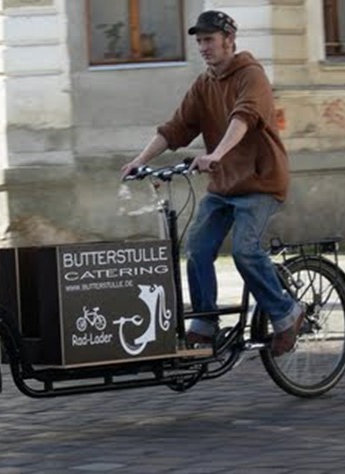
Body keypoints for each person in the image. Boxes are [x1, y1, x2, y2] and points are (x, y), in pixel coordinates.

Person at [121, 10, 304, 356]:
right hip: (223, 187)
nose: (203, 47)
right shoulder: (204, 84)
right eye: (199, 41)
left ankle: (286, 313)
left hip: (260, 183)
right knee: (198, 249)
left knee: (245, 251)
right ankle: (205, 324)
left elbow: (243, 119)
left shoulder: (252, 76)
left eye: (209, 40)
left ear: (229, 41)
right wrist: (139, 162)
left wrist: (216, 154)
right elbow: (175, 128)